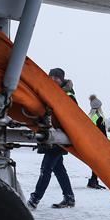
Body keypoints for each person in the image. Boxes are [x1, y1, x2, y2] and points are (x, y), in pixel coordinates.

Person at [28, 68, 76, 209]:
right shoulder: (49, 93)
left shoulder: (67, 95)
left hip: (57, 137)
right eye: (52, 77)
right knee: (58, 169)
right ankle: (69, 198)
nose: (54, 80)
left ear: (62, 80)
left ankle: (34, 199)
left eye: (57, 78)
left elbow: (71, 118)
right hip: (52, 137)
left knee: (46, 168)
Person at [86, 95, 107, 189]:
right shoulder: (99, 118)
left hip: (90, 142)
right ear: (99, 107)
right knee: (97, 163)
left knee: (95, 162)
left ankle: (93, 180)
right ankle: (93, 181)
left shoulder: (90, 116)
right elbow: (103, 134)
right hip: (98, 144)